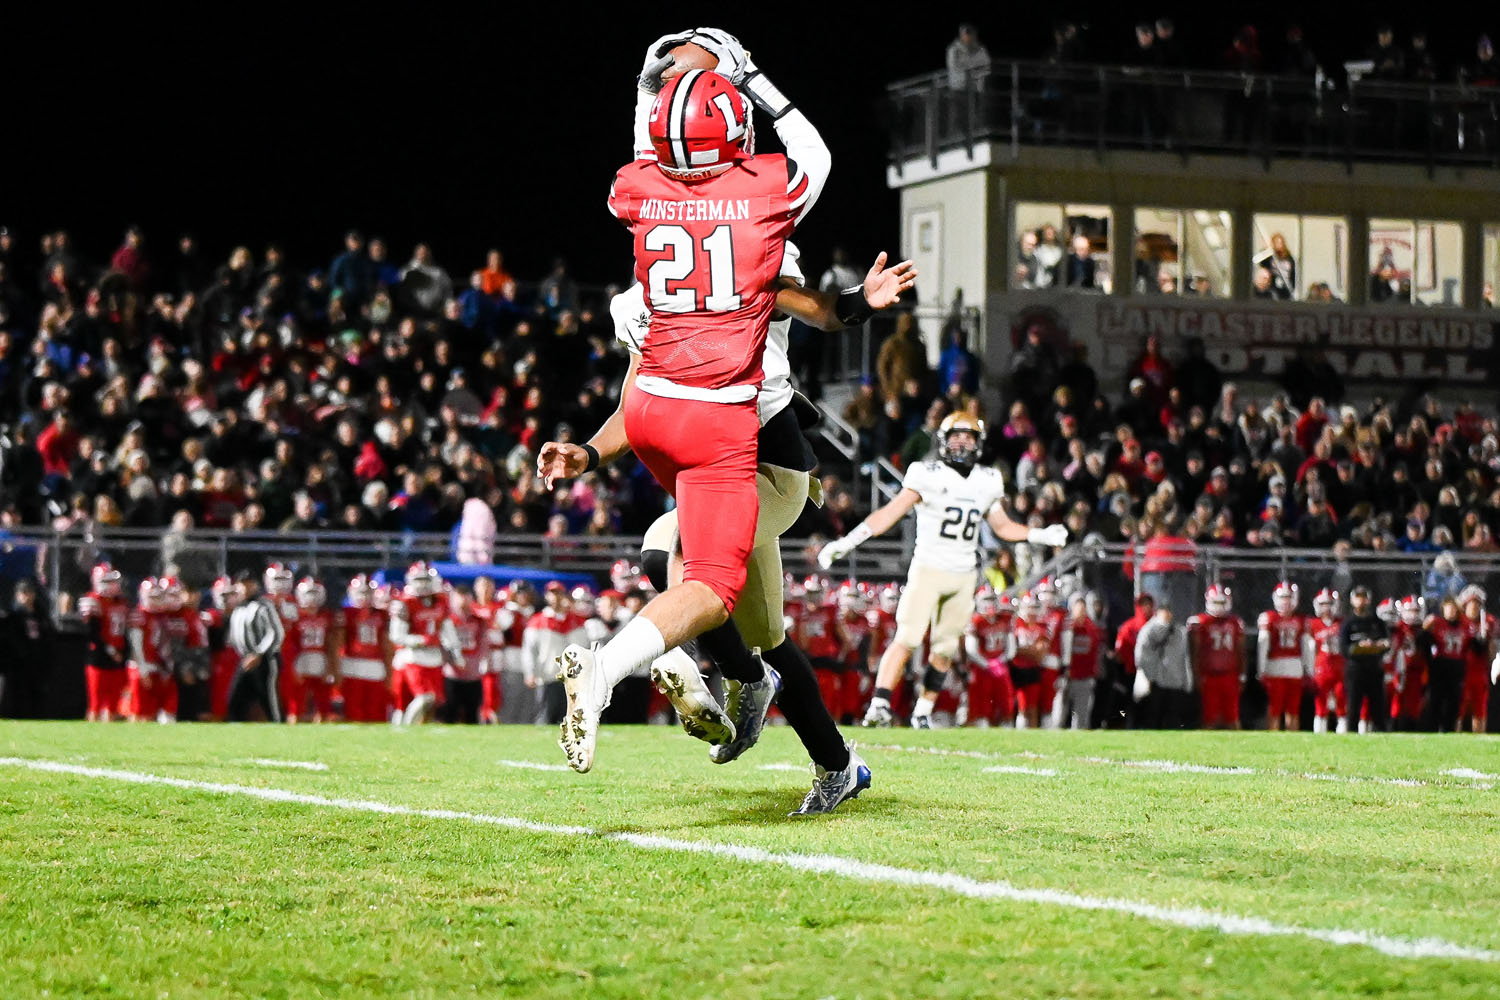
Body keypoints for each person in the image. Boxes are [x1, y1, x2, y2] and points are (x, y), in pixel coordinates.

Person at [536, 30, 832, 776]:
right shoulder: (754, 218)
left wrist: (649, 94)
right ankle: (829, 757)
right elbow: (811, 170)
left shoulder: (654, 228)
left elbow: (650, 161)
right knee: (755, 627)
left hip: (754, 452)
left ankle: (701, 674)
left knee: (674, 553)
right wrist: (754, 77)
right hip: (723, 437)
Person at [819, 413, 1068, 728]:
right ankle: (880, 705)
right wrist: (847, 542)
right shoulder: (926, 473)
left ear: (978, 443)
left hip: (963, 573)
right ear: (943, 440)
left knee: (945, 647)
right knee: (907, 637)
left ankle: (923, 711)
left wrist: (1040, 535)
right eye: (956, 435)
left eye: (969, 436)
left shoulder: (987, 479)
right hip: (928, 568)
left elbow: (1002, 526)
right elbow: (889, 514)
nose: (962, 441)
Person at [389, 561, 460, 725]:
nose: (422, 584)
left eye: (425, 580)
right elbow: (396, 636)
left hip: (434, 658)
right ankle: (405, 728)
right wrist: (421, 640)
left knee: (433, 701)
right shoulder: (404, 603)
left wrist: (456, 652)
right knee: (419, 698)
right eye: (419, 580)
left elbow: (447, 629)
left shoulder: (441, 601)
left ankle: (417, 730)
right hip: (412, 656)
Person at [226, 573, 286, 722]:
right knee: (235, 700)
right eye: (242, 584)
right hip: (245, 659)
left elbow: (276, 632)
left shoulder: (264, 605)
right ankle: (236, 732)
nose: (245, 588)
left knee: (269, 698)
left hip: (264, 659)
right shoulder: (238, 609)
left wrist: (258, 653)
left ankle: (279, 726)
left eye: (249, 584)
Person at [1188, 585, 1246, 730]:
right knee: (1209, 718)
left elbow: (1241, 652)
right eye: (1216, 602)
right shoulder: (1200, 622)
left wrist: (1242, 675)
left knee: (1232, 718)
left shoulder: (1235, 622)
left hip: (1230, 675)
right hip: (1209, 675)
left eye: (1222, 603)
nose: (1219, 607)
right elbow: (1195, 652)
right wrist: (1196, 676)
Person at [336, 574, 390, 723]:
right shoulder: (346, 613)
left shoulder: (382, 614)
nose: (364, 596)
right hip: (353, 665)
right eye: (360, 592)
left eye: (367, 592)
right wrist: (337, 667)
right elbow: (339, 643)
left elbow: (386, 644)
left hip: (375, 666)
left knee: (376, 713)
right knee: (354, 712)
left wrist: (389, 671)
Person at [79, 563, 129, 721]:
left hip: (119, 653)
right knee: (96, 703)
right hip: (99, 655)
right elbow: (91, 633)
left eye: (112, 581)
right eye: (107, 581)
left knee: (114, 702)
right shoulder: (92, 600)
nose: (112, 585)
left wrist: (120, 652)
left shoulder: (122, 602)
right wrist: (110, 650)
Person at [1257, 581, 1309, 731]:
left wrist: (1261, 670)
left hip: (1277, 666)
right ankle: (1288, 738)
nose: (1286, 601)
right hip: (1293, 666)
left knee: (1281, 709)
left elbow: (1263, 645)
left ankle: (1277, 738)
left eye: (1288, 597)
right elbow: (1308, 648)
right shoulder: (1300, 620)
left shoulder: (1269, 617)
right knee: (1284, 709)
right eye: (1283, 597)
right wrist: (1308, 670)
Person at [285, 578, 336, 723]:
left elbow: (330, 643)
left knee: (323, 703)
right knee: (296, 703)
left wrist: (331, 665)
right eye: (309, 592)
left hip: (321, 660)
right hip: (302, 660)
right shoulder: (295, 616)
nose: (312, 597)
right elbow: (290, 643)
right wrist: (293, 666)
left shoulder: (327, 616)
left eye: (315, 592)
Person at [1340, 586, 1390, 734]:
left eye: (1363, 597)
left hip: (1374, 667)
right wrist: (1359, 647)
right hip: (1356, 669)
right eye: (1358, 597)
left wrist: (1378, 645)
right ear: (1352, 600)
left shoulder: (1377, 622)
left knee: (1378, 705)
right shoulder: (1348, 623)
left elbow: (1387, 643)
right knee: (1354, 705)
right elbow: (1344, 648)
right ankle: (1352, 733)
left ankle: (1381, 733)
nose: (1361, 601)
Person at [1133, 606, 1193, 728]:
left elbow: (1185, 657)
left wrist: (1187, 681)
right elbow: (1140, 655)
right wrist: (1148, 675)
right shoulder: (1148, 630)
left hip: (1175, 682)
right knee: (1154, 716)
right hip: (1156, 681)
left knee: (1173, 717)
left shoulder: (1180, 631)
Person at [1058, 593, 1103, 729]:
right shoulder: (1064, 626)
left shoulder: (1091, 628)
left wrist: (1093, 674)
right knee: (1059, 713)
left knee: (1081, 716)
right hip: (1066, 676)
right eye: (1078, 609)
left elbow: (1094, 653)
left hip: (1083, 677)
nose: (1080, 613)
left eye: (1083, 610)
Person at [1308, 589, 1346, 733]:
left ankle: (1342, 732)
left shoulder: (1342, 623)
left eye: (1329, 603)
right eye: (1322, 604)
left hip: (1339, 666)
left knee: (1341, 700)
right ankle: (1320, 732)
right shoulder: (1313, 623)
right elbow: (1309, 649)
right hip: (1321, 666)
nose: (1326, 607)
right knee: (1320, 702)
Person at [946, 23, 991, 90]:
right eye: (966, 33)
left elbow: (987, 65)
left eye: (970, 33)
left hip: (977, 88)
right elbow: (954, 67)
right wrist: (974, 66)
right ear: (961, 34)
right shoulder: (954, 50)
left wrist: (970, 67)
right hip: (959, 87)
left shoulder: (980, 49)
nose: (968, 36)